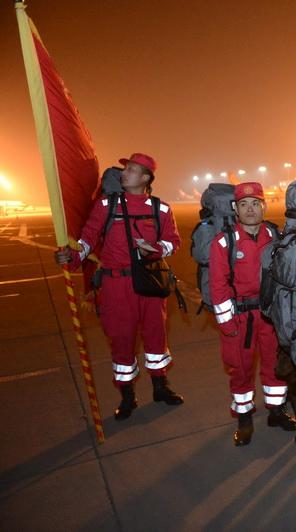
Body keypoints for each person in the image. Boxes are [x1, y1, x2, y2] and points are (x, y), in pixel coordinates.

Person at [55, 153, 183, 420]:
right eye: (126, 169)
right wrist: (72, 256)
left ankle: (161, 387)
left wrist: (157, 249)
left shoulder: (161, 209)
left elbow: (173, 242)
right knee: (121, 340)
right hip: (116, 284)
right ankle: (127, 396)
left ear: (146, 177)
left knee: (156, 338)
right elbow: (88, 239)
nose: (124, 173)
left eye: (132, 170)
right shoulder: (107, 204)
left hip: (150, 283)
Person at [209, 182, 296, 447]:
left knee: (275, 364)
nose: (250, 209)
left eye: (255, 203)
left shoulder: (275, 234)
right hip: (240, 317)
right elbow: (218, 285)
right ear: (235, 209)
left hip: (270, 314)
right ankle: (244, 417)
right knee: (241, 369)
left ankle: (276, 410)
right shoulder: (224, 241)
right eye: (244, 204)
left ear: (264, 206)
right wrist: (227, 324)